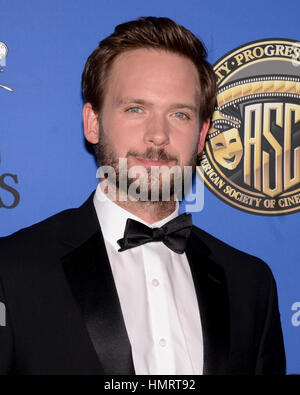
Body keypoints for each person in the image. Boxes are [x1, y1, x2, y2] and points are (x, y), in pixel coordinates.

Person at [0, 16, 285, 375]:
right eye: (136, 109)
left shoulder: (251, 283)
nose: (158, 135)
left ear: (201, 137)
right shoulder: (11, 270)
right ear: (93, 122)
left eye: (179, 114)